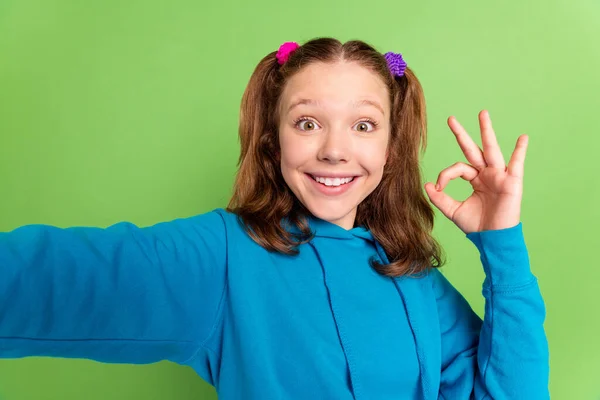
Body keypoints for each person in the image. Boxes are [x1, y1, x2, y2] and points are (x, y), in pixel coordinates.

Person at [0, 37, 549, 399]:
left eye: (363, 125)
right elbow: (54, 278)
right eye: (307, 123)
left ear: (391, 147)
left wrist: (502, 243)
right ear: (273, 139)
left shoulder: (413, 278)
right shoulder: (223, 257)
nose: (335, 151)